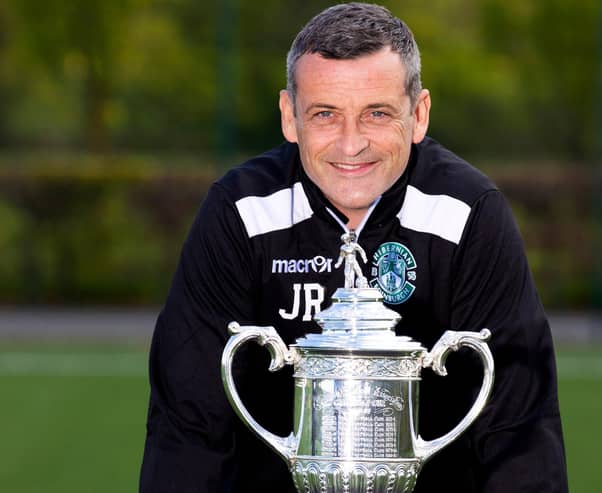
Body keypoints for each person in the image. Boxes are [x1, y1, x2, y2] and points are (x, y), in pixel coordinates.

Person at [139, 3, 569, 492]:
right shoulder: (241, 212)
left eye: (377, 114)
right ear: (289, 116)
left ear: (419, 114)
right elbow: (190, 426)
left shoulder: (467, 214)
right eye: (325, 114)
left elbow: (517, 431)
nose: (350, 145)